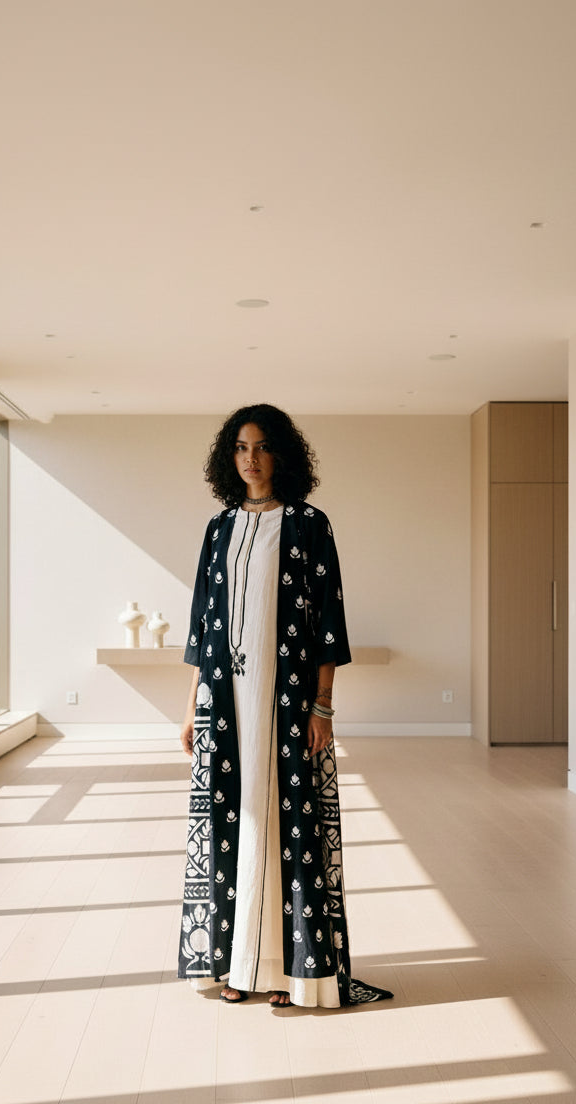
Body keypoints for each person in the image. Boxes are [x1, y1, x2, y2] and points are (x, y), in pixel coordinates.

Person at [178, 404, 392, 1009]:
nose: (251, 459)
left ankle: (290, 973)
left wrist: (322, 707)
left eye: (263, 447)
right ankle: (234, 965)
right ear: (229, 457)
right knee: (234, 827)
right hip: (225, 703)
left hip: (287, 700)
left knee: (288, 826)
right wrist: (191, 708)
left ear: (282, 455)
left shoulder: (308, 525)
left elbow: (328, 622)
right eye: (241, 448)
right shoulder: (218, 528)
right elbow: (202, 624)